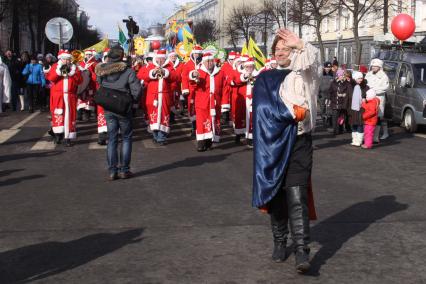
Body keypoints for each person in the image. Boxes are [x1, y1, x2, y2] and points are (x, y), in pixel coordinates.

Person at [252, 28, 319, 274]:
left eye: (285, 49)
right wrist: (291, 113)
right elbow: (262, 112)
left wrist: (300, 44)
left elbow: (314, 59)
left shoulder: (305, 74)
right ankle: (280, 241)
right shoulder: (265, 77)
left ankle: (302, 250)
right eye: (277, 49)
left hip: (300, 141)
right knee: (277, 195)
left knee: (297, 194)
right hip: (273, 145)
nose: (280, 53)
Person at [95, 46, 141, 180]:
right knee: (126, 138)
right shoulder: (128, 71)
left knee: (112, 138)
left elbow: (99, 84)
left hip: (108, 107)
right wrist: (132, 101)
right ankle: (124, 170)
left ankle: (112, 170)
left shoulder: (102, 70)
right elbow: (137, 90)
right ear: (122, 57)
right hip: (123, 107)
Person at [138, 50, 179, 145]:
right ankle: (155, 135)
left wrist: (166, 73)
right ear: (155, 59)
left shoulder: (169, 67)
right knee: (153, 116)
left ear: (165, 59)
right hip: (152, 96)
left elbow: (176, 77)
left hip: (164, 96)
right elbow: (140, 75)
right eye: (158, 58)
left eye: (162, 59)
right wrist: (152, 74)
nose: (160, 60)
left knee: (164, 115)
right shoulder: (151, 66)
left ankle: (162, 137)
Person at [46, 50, 83, 146]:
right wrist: (59, 72)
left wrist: (72, 73)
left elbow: (79, 81)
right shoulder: (55, 66)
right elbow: (51, 78)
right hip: (58, 96)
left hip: (70, 96)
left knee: (69, 117)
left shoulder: (74, 68)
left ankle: (68, 138)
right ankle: (58, 135)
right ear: (60, 59)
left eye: (68, 59)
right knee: (58, 115)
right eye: (64, 59)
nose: (66, 61)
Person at [190, 52, 225, 151]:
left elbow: (224, 88)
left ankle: (209, 142)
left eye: (211, 61)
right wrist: (194, 76)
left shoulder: (220, 73)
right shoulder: (199, 72)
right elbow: (192, 84)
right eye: (207, 61)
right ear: (203, 62)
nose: (209, 63)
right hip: (202, 102)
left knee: (213, 121)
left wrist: (224, 102)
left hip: (215, 102)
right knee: (202, 122)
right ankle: (201, 143)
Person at [365, 58, 390, 142]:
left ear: (379, 67)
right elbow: (365, 84)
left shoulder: (383, 76)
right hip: (368, 99)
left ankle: (376, 136)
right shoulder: (368, 74)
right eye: (372, 66)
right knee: (368, 117)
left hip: (378, 99)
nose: (373, 67)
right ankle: (368, 136)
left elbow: (385, 88)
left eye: (375, 66)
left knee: (378, 117)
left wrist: (373, 91)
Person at [181, 45, 203, 134]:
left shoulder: (203, 63)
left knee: (201, 109)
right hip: (191, 90)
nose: (196, 56)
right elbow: (184, 77)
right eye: (195, 54)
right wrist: (185, 89)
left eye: (198, 54)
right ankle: (194, 127)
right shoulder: (188, 64)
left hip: (202, 90)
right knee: (192, 108)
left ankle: (201, 127)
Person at [347, 71, 368, 146]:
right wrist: (345, 107)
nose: (360, 80)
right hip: (352, 108)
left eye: (361, 78)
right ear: (355, 78)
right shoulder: (350, 86)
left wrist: (365, 98)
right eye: (359, 78)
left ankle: (359, 141)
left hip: (361, 109)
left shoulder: (365, 87)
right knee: (353, 124)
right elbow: (347, 97)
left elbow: (368, 95)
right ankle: (354, 140)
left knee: (360, 124)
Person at [329, 69, 351, 135]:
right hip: (335, 103)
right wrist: (329, 99)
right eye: (340, 75)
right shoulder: (333, 82)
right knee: (334, 117)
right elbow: (330, 91)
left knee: (341, 118)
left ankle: (340, 129)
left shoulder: (346, 83)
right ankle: (335, 130)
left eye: (342, 75)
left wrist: (344, 94)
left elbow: (349, 92)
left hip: (342, 103)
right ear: (337, 75)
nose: (341, 76)